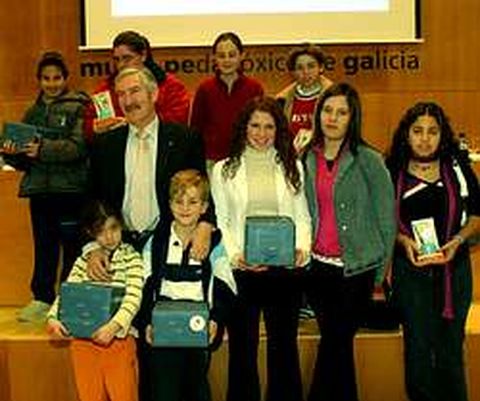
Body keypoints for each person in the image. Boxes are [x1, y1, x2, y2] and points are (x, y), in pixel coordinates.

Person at [88, 66, 214, 401]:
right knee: (133, 346)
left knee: (169, 346)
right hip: (120, 250)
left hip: (166, 247)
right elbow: (94, 202)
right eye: (121, 94)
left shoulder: (185, 139)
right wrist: (93, 247)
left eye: (135, 91)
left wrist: (205, 224)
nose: (128, 100)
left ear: (154, 94)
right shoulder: (104, 144)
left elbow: (202, 192)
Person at [211, 96, 311, 401]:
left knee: (284, 347)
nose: (261, 133)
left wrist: (301, 248)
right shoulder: (223, 170)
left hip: (285, 270)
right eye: (255, 125)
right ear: (244, 127)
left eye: (269, 126)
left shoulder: (293, 166)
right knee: (243, 349)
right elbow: (222, 220)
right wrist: (235, 256)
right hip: (243, 270)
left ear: (278, 130)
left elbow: (302, 216)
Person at [302, 82, 396, 401]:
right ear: (318, 114)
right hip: (317, 270)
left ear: (352, 118)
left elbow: (386, 218)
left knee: (335, 343)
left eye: (341, 112)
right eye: (327, 110)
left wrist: (380, 274)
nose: (332, 118)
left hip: (356, 270)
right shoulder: (307, 157)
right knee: (338, 348)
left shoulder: (369, 159)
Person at [385, 102, 480, 401]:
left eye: (432, 131)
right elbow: (381, 220)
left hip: (455, 272)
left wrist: (459, 240)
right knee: (418, 353)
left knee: (451, 352)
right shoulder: (391, 169)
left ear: (442, 135)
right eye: (418, 131)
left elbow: (477, 215)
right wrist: (403, 240)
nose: (425, 139)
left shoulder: (457, 166)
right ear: (406, 134)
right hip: (410, 275)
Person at [1, 51, 89, 322]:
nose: (52, 83)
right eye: (46, 78)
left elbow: (78, 147)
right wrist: (11, 153)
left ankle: (69, 300)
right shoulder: (33, 111)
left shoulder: (79, 107)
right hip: (39, 190)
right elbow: (23, 158)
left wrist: (43, 149)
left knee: (72, 248)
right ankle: (42, 298)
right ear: (39, 80)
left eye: (57, 77)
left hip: (70, 191)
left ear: (66, 78)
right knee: (44, 247)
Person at [137, 169, 235, 401]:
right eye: (178, 201)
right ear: (169, 204)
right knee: (164, 390)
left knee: (196, 389)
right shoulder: (156, 242)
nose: (185, 208)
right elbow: (144, 286)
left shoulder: (215, 243)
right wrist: (147, 321)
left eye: (192, 202)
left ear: (204, 207)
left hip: (198, 329)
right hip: (162, 330)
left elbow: (225, 286)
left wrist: (216, 319)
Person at [46, 200, 144, 401]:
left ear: (121, 225)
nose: (109, 237)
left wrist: (114, 326)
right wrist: (53, 318)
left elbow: (134, 298)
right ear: (90, 233)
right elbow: (68, 293)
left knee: (124, 395)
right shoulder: (83, 261)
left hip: (119, 342)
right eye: (101, 231)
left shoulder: (132, 258)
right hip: (84, 344)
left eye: (113, 228)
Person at [84, 30, 190, 141]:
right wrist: (95, 127)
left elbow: (177, 122)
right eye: (117, 60)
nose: (121, 65)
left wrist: (132, 123)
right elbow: (88, 126)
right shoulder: (105, 89)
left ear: (143, 55)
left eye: (127, 58)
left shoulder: (171, 86)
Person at [190, 32, 264, 173]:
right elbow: (195, 129)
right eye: (221, 56)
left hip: (247, 157)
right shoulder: (205, 89)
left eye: (232, 55)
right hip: (212, 161)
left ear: (242, 56)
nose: (227, 60)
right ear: (214, 58)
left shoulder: (254, 88)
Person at [276, 44, 333, 154]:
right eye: (300, 68)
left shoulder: (334, 97)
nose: (306, 72)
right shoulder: (282, 100)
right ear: (293, 72)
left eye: (311, 66)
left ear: (321, 67)